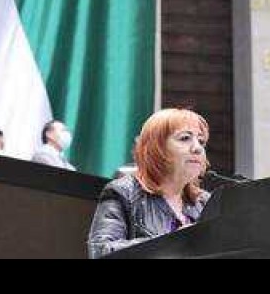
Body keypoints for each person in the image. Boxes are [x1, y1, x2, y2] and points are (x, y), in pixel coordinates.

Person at [87, 108, 211, 259]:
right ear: (156, 147)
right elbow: (101, 251)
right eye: (185, 138)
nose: (197, 148)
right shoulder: (123, 192)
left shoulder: (205, 202)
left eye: (201, 141)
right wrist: (170, 242)